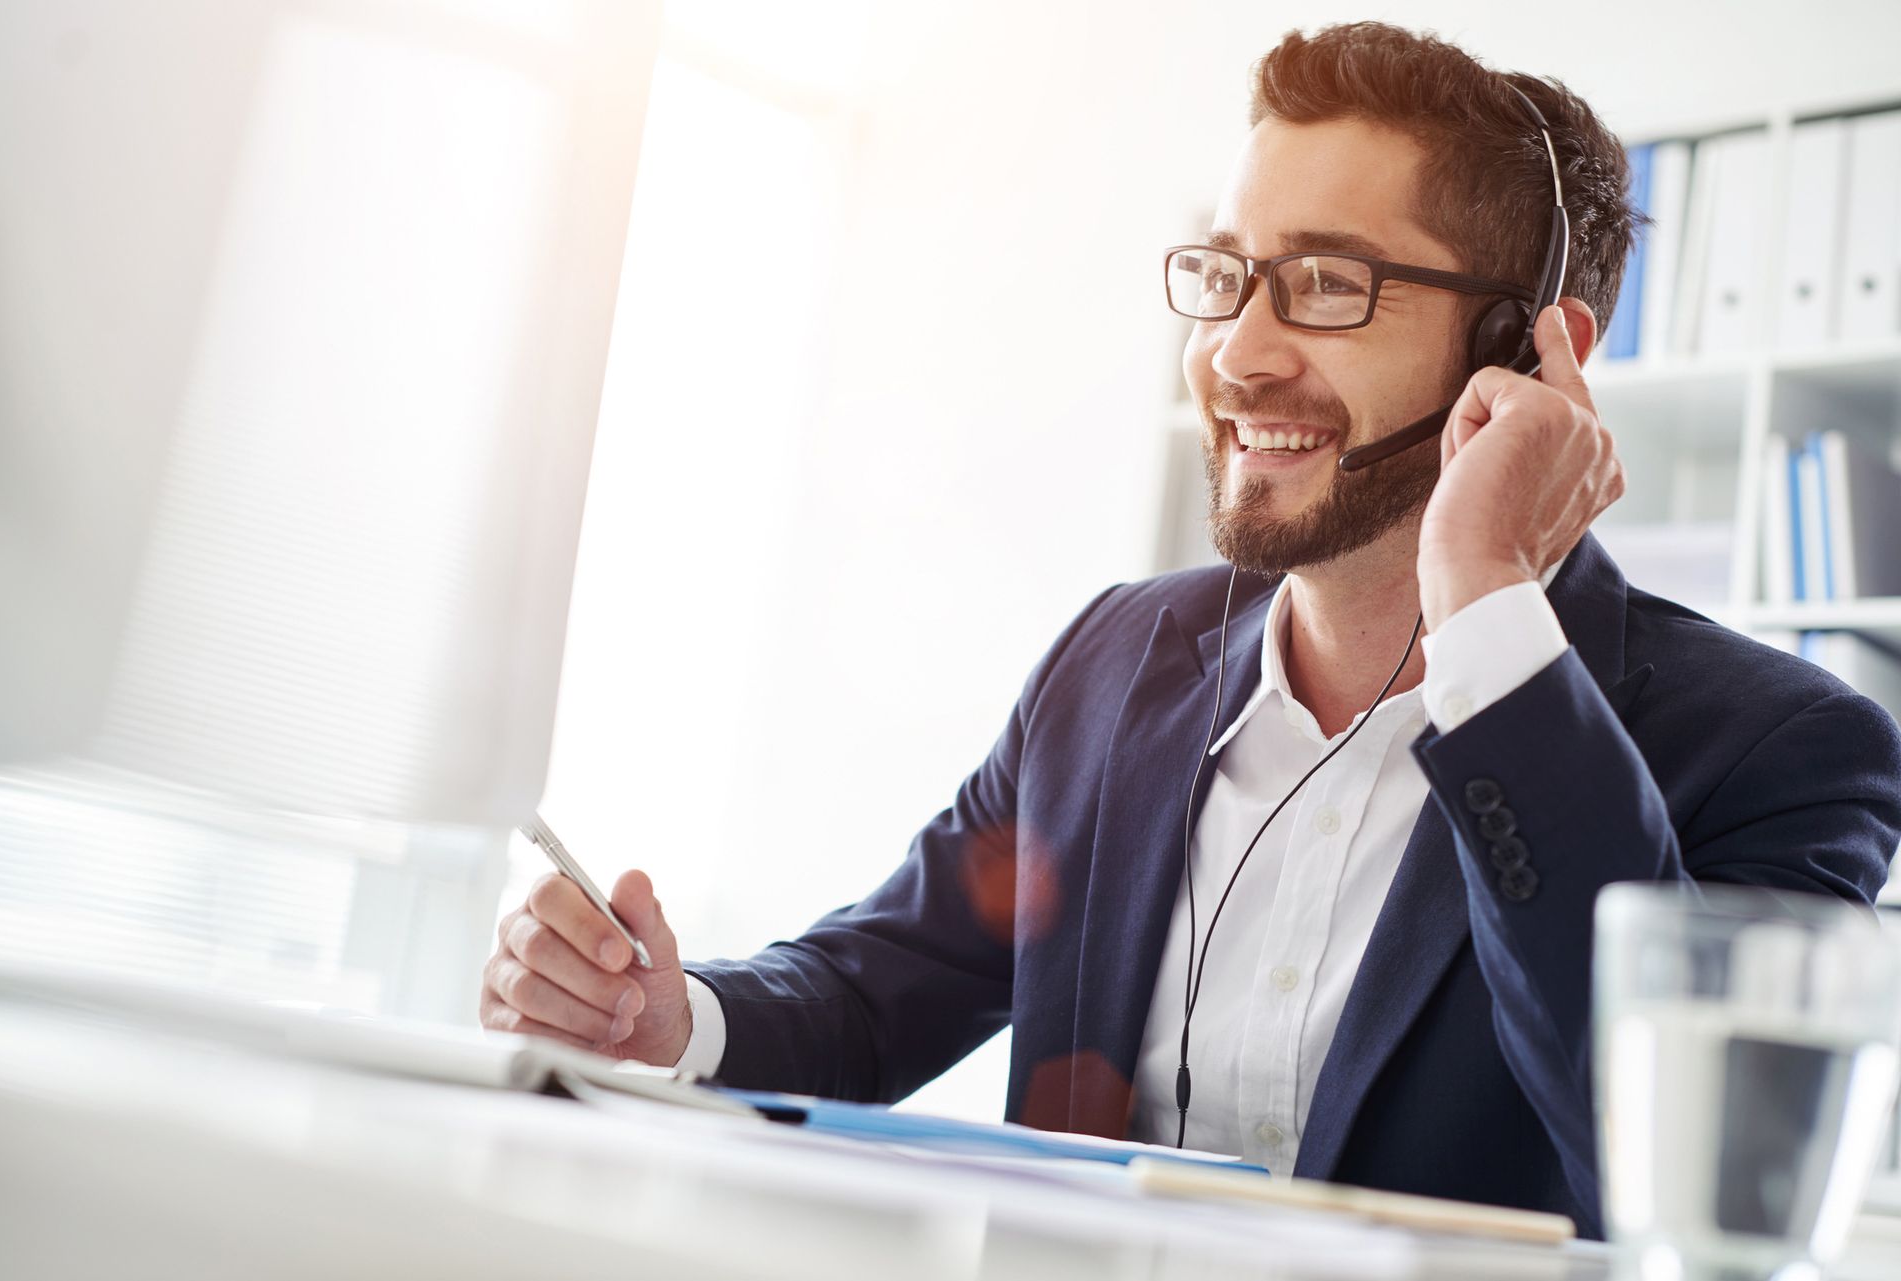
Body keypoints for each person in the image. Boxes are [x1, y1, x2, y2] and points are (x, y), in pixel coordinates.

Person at [479, 22, 1901, 1235]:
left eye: (1329, 284)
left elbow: (1686, 1181)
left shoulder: (1787, 750)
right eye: (1228, 274)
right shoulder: (1116, 664)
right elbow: (875, 985)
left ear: (1531, 351)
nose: (1234, 352)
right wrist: (664, 1023)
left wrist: (1486, 596)